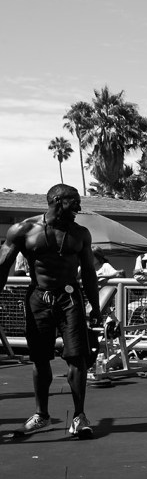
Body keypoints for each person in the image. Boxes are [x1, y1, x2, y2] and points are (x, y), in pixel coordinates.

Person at [0, 184, 101, 438]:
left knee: (77, 357)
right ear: (57, 201)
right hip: (38, 297)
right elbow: (2, 266)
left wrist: (96, 306)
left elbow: (89, 272)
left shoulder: (80, 234)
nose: (79, 207)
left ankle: (79, 417)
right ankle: (41, 416)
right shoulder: (23, 230)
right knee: (40, 358)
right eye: (74, 201)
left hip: (70, 298)